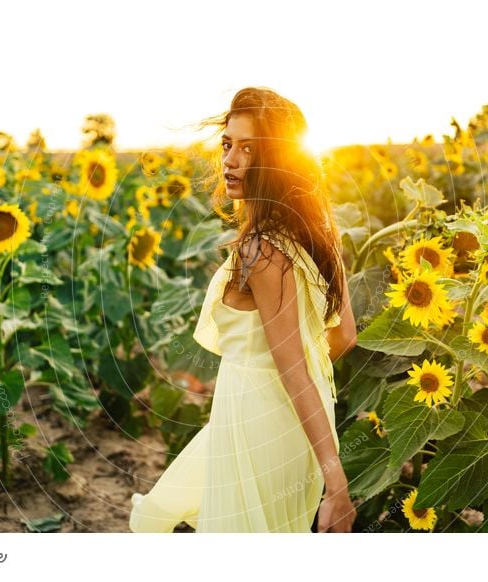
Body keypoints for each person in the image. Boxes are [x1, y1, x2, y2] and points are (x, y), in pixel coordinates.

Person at [129, 87, 357, 533]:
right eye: (228, 144)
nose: (230, 160)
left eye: (249, 148)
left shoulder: (262, 249)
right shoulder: (319, 232)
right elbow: (343, 336)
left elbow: (293, 370)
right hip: (281, 427)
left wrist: (339, 487)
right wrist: (285, 378)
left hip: (255, 430)